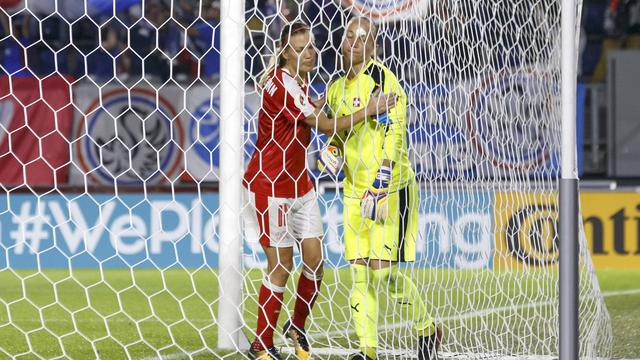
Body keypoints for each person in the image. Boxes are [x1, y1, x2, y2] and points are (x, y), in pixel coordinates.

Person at [243, 21, 397, 360]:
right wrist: (368, 109)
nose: (310, 52)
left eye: (311, 46)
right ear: (285, 53)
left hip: (300, 185)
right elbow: (323, 124)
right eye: (300, 49)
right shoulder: (281, 84)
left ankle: (297, 330)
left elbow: (310, 107)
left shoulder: (297, 81)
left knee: (315, 262)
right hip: (271, 187)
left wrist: (327, 95)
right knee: (281, 265)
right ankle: (260, 344)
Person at [324, 17, 442, 360]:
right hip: (353, 191)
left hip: (388, 189)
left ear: (373, 45)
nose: (354, 43)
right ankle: (368, 351)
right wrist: (330, 154)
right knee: (359, 276)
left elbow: (395, 128)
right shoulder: (336, 88)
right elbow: (336, 133)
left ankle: (427, 329)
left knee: (385, 273)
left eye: (363, 38)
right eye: (349, 37)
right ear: (342, 42)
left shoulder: (381, 78)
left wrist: (385, 174)